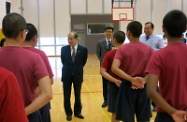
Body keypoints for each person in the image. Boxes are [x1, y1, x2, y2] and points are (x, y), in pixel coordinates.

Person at [0, 13, 52, 122]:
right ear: (23, 33)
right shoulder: (35, 57)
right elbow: (47, 94)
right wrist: (21, 112)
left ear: (3, 32)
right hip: (28, 115)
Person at [146, 10, 187, 122]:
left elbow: (150, 90)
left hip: (166, 116)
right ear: (185, 29)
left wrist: (173, 112)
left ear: (163, 29)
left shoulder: (158, 56)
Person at [111, 21, 153, 122]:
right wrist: (143, 80)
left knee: (127, 119)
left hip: (127, 87)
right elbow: (155, 70)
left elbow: (114, 68)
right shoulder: (149, 49)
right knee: (143, 119)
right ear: (141, 32)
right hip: (143, 87)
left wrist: (131, 79)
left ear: (128, 33)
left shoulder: (122, 49)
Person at [21, 23, 54, 122]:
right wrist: (33, 93)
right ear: (35, 38)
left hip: (17, 103)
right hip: (39, 102)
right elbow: (50, 80)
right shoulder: (39, 54)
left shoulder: (9, 54)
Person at [61, 31, 88, 121]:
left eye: (71, 39)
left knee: (78, 95)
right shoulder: (63, 49)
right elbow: (63, 61)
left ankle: (77, 112)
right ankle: (68, 113)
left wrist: (76, 69)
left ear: (76, 39)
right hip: (66, 75)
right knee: (66, 95)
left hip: (77, 75)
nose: (69, 41)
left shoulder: (83, 49)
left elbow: (83, 62)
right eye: (68, 39)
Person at [100, 30, 125, 122]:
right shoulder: (130, 53)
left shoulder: (109, 54)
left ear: (114, 40)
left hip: (114, 86)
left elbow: (102, 71)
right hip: (129, 85)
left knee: (115, 113)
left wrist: (115, 80)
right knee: (129, 112)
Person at [96, 26, 114, 107]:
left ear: (112, 33)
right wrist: (104, 62)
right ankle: (106, 100)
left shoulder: (115, 42)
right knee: (105, 84)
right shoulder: (100, 43)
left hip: (114, 67)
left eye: (110, 31)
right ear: (104, 33)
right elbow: (98, 54)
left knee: (113, 83)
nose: (108, 33)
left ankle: (112, 100)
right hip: (104, 67)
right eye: (107, 31)